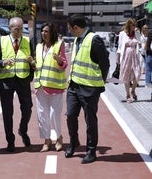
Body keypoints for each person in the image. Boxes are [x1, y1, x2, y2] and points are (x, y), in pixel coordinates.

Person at [65, 14, 110, 164]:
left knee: (90, 120)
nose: (69, 31)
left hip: (89, 89)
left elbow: (105, 64)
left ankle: (91, 150)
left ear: (76, 28)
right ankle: (73, 142)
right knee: (70, 116)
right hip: (74, 86)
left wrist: (99, 83)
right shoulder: (78, 39)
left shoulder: (94, 39)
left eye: (70, 29)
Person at [0, 17, 35, 152]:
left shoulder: (28, 41)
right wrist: (4, 62)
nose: (19, 31)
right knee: (7, 112)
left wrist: (32, 66)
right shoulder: (2, 40)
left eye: (21, 29)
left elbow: (33, 60)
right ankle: (10, 140)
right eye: (16, 29)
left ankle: (23, 130)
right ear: (10, 29)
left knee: (27, 108)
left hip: (23, 80)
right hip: (6, 81)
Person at [34, 22, 68, 152]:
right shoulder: (38, 47)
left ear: (52, 33)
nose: (43, 33)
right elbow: (39, 65)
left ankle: (59, 138)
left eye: (46, 31)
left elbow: (64, 64)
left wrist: (59, 60)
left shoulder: (59, 45)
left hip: (55, 86)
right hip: (40, 85)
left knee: (54, 114)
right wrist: (32, 63)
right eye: (42, 31)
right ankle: (47, 140)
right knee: (42, 114)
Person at [116, 18, 141, 103]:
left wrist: (139, 41)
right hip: (125, 57)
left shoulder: (136, 33)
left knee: (137, 75)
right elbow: (119, 48)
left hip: (135, 57)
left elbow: (140, 43)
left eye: (135, 25)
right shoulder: (122, 34)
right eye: (133, 25)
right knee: (126, 77)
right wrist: (117, 60)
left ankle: (133, 90)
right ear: (129, 25)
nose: (134, 26)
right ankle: (127, 95)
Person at [145, 34, 152, 99]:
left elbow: (146, 47)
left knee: (148, 70)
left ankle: (148, 82)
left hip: (150, 55)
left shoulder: (150, 36)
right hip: (150, 56)